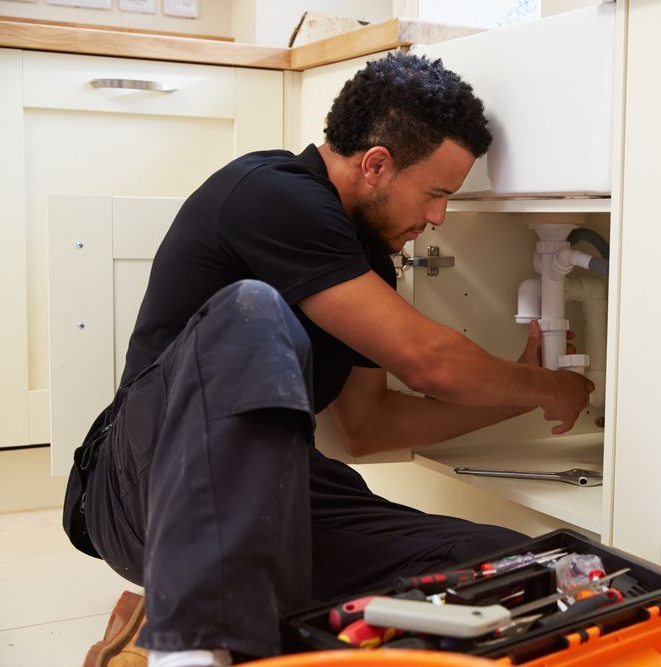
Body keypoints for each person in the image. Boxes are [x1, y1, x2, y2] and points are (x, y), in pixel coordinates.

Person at [62, 52, 593, 666]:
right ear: (376, 164)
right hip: (140, 485)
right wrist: (544, 385)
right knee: (252, 311)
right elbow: (427, 360)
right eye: (436, 193)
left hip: (280, 496)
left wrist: (521, 396)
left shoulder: (366, 258)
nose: (438, 217)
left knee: (505, 567)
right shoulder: (269, 192)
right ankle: (187, 648)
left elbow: (372, 425)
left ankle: (162, 622)